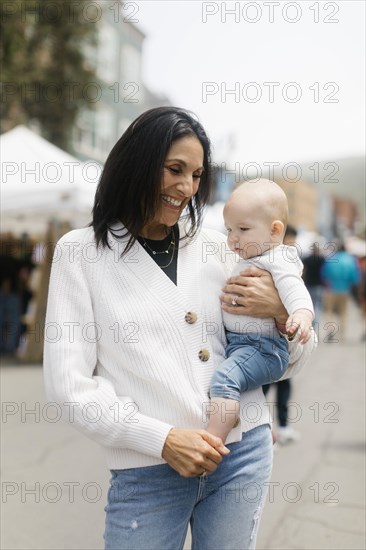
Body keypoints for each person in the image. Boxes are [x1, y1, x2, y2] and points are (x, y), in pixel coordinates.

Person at [43, 107, 316, 550]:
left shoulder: (224, 246)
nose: (187, 187)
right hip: (148, 471)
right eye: (174, 169)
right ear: (138, 164)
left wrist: (283, 317)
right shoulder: (79, 253)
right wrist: (162, 439)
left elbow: (295, 358)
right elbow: (68, 387)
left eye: (196, 175)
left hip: (241, 454)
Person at [207, 180, 314, 442]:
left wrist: (300, 315)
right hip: (242, 345)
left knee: (224, 380)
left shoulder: (278, 259)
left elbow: (295, 289)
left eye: (243, 229)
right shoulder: (247, 258)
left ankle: (212, 441)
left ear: (275, 230)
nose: (233, 237)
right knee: (226, 377)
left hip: (262, 347)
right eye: (229, 229)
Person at [262, 225, 302, 445]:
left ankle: (283, 427)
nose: (292, 244)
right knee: (263, 390)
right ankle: (267, 433)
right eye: (290, 239)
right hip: (265, 340)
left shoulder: (292, 263)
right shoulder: (265, 261)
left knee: (285, 384)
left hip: (286, 340)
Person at [321, 243, 360, 342]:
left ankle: (330, 330)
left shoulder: (331, 259)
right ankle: (342, 334)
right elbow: (355, 277)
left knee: (329, 311)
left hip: (331, 289)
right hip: (345, 290)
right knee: (343, 312)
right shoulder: (350, 260)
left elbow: (323, 274)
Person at [302, 242, 325, 325]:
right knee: (318, 305)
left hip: (309, 285)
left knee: (310, 304)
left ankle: (311, 322)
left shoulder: (307, 259)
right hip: (319, 285)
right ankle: (315, 322)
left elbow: (304, 272)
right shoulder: (322, 259)